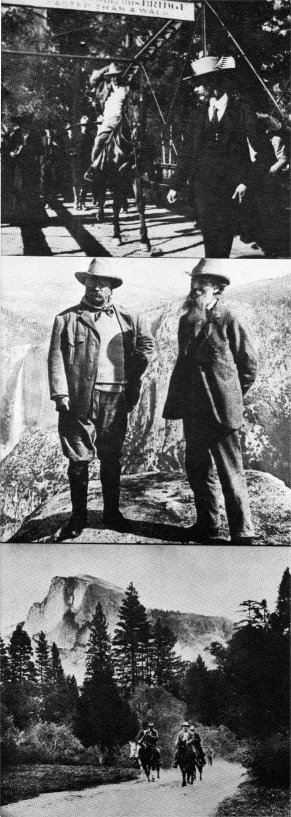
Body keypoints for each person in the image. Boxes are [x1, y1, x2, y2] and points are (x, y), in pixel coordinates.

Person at [48, 258, 154, 540]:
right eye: (92, 283)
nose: (96, 288)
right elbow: (56, 357)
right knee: (78, 458)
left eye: (103, 284)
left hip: (117, 397)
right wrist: (60, 394)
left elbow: (146, 346)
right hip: (80, 399)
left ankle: (112, 514)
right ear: (85, 284)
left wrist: (138, 366)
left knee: (111, 456)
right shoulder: (67, 319)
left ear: (111, 289)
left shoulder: (128, 319)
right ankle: (78, 517)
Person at [163, 259, 258, 544]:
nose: (194, 289)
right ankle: (208, 523)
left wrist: (230, 396)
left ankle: (243, 532)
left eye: (201, 284)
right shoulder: (186, 321)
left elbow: (249, 366)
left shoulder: (229, 319)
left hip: (221, 412)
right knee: (197, 467)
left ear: (217, 288)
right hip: (193, 409)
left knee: (230, 472)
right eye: (193, 284)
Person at [167, 55, 267, 257]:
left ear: (213, 83)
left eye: (198, 85)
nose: (195, 90)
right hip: (202, 190)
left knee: (223, 244)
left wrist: (246, 182)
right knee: (211, 243)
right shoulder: (197, 114)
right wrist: (175, 184)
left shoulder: (241, 111)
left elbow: (266, 155)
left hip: (231, 191)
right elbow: (187, 152)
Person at [85, 63, 130, 180]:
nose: (114, 78)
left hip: (121, 120)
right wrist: (107, 68)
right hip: (108, 121)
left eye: (116, 76)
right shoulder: (104, 86)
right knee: (98, 142)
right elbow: (92, 80)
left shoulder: (126, 87)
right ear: (109, 77)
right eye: (112, 76)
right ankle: (93, 168)